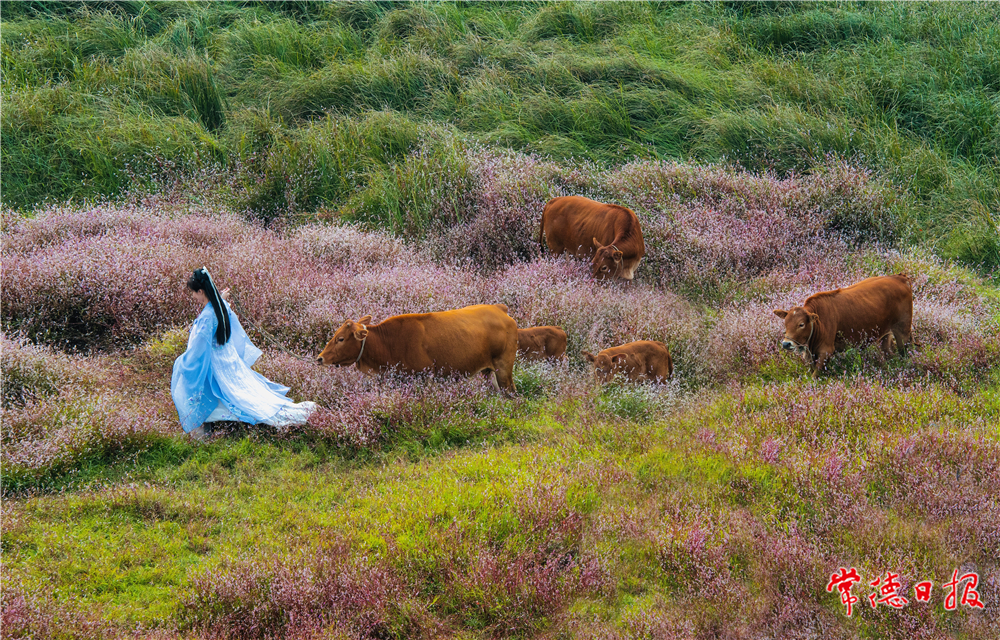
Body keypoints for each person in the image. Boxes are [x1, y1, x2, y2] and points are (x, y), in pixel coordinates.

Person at [171, 267, 317, 440]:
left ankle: (204, 425)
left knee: (210, 388)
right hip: (228, 360)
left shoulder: (208, 316)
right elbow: (219, 310)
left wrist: (182, 362)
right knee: (243, 392)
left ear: (201, 291)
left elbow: (199, 348)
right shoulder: (219, 306)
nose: (194, 297)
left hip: (216, 365)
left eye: (194, 293)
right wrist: (221, 298)